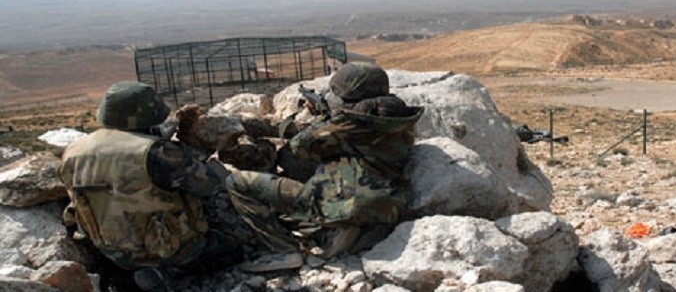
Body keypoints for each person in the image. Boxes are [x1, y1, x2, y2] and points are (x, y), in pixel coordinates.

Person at [227, 62, 423, 271]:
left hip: (349, 202)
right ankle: (345, 229)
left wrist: (320, 118)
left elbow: (300, 146)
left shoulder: (349, 123)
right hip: (385, 203)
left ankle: (285, 249)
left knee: (237, 183)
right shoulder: (395, 117)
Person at [58, 81, 242, 291]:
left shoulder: (72, 152)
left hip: (110, 251)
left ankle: (122, 275)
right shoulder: (156, 152)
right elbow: (207, 185)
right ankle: (163, 274)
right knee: (232, 247)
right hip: (167, 250)